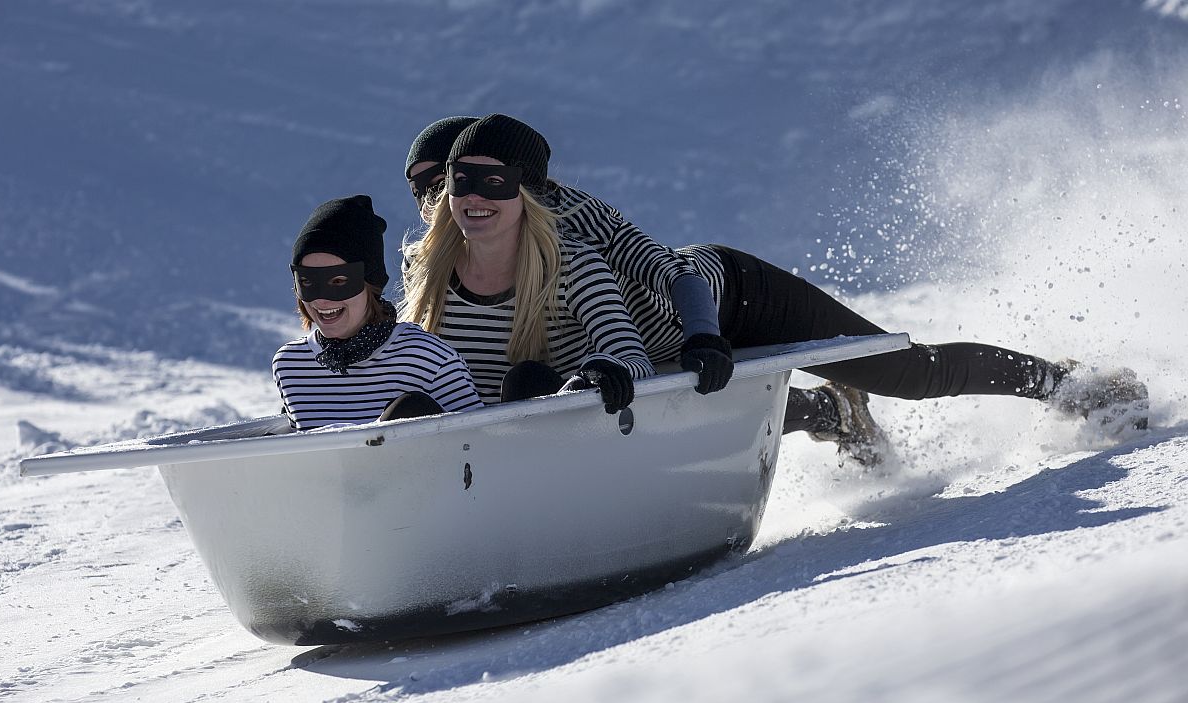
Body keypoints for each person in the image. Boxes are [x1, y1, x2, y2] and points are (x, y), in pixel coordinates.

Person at [403, 115, 1149, 466]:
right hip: (651, 354)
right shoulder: (448, 265)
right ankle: (833, 414)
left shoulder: (571, 223)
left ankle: (1067, 384)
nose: (440, 198)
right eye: (426, 187)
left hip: (729, 299)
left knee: (905, 375)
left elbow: (674, 272)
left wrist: (704, 334)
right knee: (681, 419)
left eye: (452, 179)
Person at [400, 115, 655, 413]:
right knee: (409, 405)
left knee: (527, 379)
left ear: (527, 194)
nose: (474, 197)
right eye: (462, 180)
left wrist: (600, 373)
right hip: (458, 435)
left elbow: (635, 361)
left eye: (494, 182)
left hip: (550, 433)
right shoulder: (423, 265)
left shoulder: (573, 269)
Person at [273, 194, 483, 430]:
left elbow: (478, 441)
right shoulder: (291, 366)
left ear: (371, 283)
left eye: (339, 281)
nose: (322, 299)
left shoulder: (428, 358)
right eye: (307, 282)